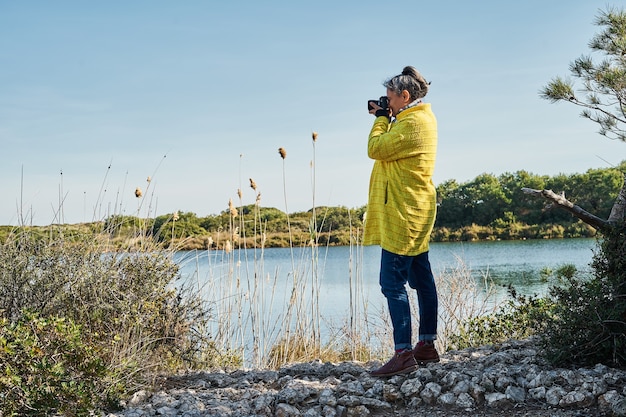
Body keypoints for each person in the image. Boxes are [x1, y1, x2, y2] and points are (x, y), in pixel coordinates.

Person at [365, 66, 440, 377]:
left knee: (392, 283)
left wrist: (381, 119)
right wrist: (387, 114)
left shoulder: (413, 123)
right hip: (414, 210)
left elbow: (376, 148)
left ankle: (403, 353)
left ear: (405, 96)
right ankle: (426, 345)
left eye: (390, 97)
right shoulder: (416, 118)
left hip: (403, 213)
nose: (387, 102)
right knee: (422, 280)